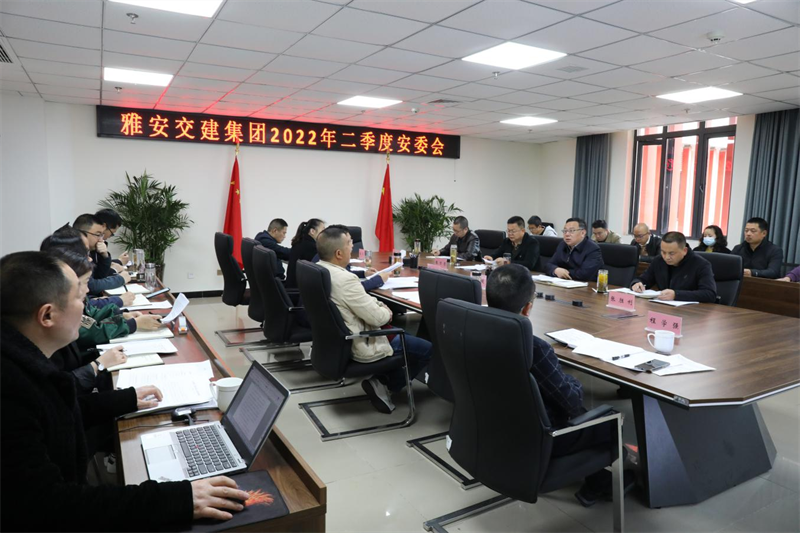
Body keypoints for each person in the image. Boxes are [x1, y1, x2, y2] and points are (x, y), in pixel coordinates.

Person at [0, 251, 249, 527]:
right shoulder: (11, 391)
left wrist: (127, 398)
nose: (86, 305)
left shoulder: (24, 362)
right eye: (79, 298)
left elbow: (61, 410)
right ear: (47, 315)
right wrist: (179, 499)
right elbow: (51, 505)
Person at [485, 264, 633, 507]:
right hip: (539, 438)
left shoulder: (474, 327)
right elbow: (572, 402)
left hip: (492, 426)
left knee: (573, 406)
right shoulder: (534, 347)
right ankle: (599, 484)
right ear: (528, 307)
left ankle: (598, 480)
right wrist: (573, 380)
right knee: (608, 423)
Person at [315, 226, 432, 414]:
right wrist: (386, 310)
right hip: (361, 341)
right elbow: (378, 318)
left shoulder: (319, 269)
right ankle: (385, 383)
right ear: (338, 253)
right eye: (349, 243)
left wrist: (377, 304)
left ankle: (383, 378)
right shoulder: (345, 280)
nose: (352, 247)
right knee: (427, 349)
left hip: (334, 342)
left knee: (404, 333)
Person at [631, 231, 717, 303]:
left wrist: (676, 294)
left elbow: (709, 294)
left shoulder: (701, 265)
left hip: (691, 312)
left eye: (671, 253)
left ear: (684, 251)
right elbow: (644, 279)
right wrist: (636, 283)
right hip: (663, 307)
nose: (666, 257)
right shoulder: (658, 261)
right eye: (663, 252)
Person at [312, 224, 390, 291]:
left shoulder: (322, 260)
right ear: (338, 253)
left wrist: (364, 273)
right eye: (349, 242)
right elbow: (355, 288)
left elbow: (347, 272)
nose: (352, 245)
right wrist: (379, 279)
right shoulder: (340, 275)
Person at [73, 213, 131, 294]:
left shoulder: (86, 250)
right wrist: (120, 279)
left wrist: (105, 256)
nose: (101, 240)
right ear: (82, 234)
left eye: (102, 235)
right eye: (98, 235)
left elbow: (99, 276)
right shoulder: (73, 253)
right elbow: (91, 286)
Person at [286, 218, 325, 288]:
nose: (325, 234)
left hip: (293, 287)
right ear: (312, 231)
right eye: (323, 230)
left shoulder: (300, 242)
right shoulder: (311, 247)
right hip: (299, 290)